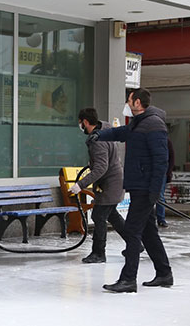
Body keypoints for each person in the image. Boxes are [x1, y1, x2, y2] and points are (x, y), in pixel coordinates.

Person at [88, 87, 173, 293]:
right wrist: (99, 135)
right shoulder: (138, 123)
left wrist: (155, 191)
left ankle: (128, 279)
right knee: (148, 231)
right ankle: (164, 273)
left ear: (137, 103)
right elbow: (119, 132)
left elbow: (161, 160)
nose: (127, 104)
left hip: (145, 188)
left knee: (133, 231)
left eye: (129, 100)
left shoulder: (154, 124)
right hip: (138, 185)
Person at [70, 108, 126, 264]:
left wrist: (80, 185)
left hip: (110, 183)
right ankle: (135, 244)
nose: (80, 126)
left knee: (98, 216)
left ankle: (98, 253)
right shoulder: (106, 128)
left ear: (86, 122)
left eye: (81, 123)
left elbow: (101, 167)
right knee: (112, 215)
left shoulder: (97, 141)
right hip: (114, 180)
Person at [156, 138, 174, 228]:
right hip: (152, 171)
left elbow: (171, 157)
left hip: (162, 172)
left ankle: (161, 219)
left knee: (160, 196)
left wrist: (169, 172)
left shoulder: (166, 141)